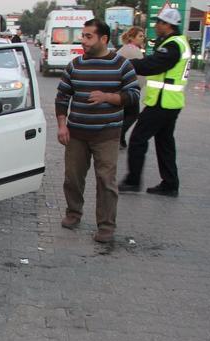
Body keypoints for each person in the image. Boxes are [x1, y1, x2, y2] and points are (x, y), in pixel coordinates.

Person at [55, 19, 140, 243]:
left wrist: (108, 97)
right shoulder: (75, 65)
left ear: (103, 39)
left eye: (88, 37)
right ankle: (73, 213)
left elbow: (133, 95)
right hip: (77, 135)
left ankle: (106, 226)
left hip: (107, 135)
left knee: (106, 181)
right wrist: (62, 125)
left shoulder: (122, 65)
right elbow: (62, 97)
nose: (83, 41)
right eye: (83, 36)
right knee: (72, 178)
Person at [119, 8, 191, 197]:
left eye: (158, 22)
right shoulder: (177, 42)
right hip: (170, 103)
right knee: (165, 143)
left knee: (137, 139)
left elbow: (152, 65)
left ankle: (133, 181)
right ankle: (170, 184)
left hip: (162, 103)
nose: (156, 25)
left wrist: (126, 65)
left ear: (167, 25)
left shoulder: (173, 46)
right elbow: (154, 63)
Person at [117, 26, 146, 149]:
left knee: (125, 114)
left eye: (143, 36)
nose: (142, 38)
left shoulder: (124, 49)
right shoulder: (133, 50)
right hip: (130, 87)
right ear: (132, 37)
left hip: (123, 86)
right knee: (133, 114)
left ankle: (121, 139)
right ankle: (119, 136)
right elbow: (140, 71)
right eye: (140, 36)